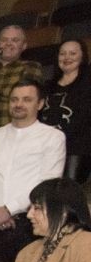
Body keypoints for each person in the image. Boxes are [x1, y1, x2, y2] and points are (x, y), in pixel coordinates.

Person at [0, 79, 66, 262]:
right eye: (14, 99)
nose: (19, 104)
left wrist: (8, 210)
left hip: (29, 222)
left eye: (27, 99)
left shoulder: (53, 137)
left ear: (40, 104)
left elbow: (47, 183)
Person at [41, 39, 91, 182]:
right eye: (62, 54)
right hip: (47, 147)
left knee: (69, 189)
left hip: (76, 148)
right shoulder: (48, 86)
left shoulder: (88, 83)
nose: (67, 57)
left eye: (73, 53)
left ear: (83, 57)